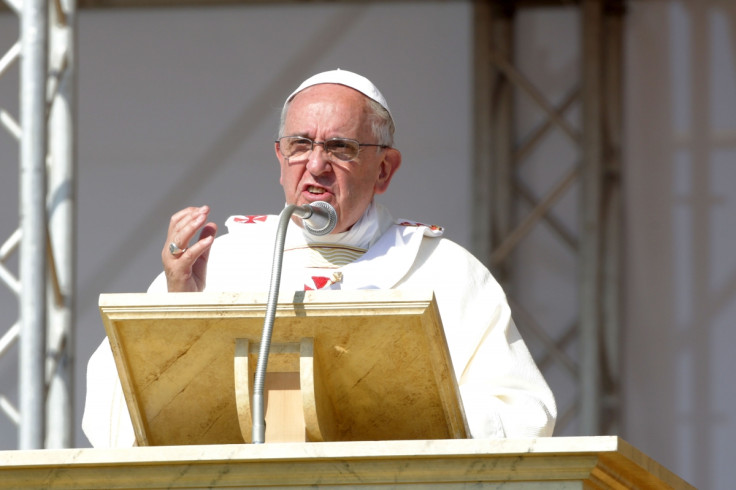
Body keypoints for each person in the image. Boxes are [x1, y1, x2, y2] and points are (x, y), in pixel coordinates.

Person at [82, 69, 556, 447]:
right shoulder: (219, 262)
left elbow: (526, 417)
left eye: (340, 147)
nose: (315, 166)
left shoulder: (445, 272)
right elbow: (112, 416)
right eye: (300, 145)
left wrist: (404, 404)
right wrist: (177, 306)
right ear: (279, 158)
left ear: (384, 169)